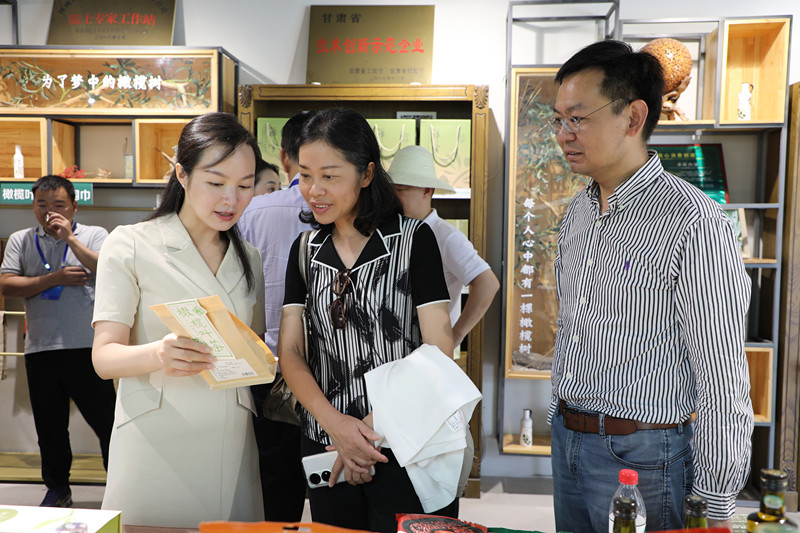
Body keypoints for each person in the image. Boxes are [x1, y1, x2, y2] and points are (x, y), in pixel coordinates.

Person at [547, 40, 753, 533]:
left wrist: (715, 502)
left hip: (643, 452)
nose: (563, 135)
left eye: (577, 118)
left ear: (633, 117)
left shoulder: (692, 221)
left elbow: (721, 374)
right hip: (567, 436)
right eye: (558, 120)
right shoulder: (578, 212)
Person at [278, 108, 457, 533]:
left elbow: (439, 349)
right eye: (305, 175)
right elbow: (291, 352)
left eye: (329, 176)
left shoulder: (413, 240)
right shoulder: (304, 250)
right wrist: (337, 426)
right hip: (326, 441)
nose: (314, 190)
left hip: (407, 440)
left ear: (366, 173)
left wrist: (363, 435)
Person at [91, 112, 266, 527]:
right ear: (182, 175)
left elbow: (252, 344)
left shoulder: (250, 257)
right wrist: (158, 353)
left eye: (245, 186)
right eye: (216, 183)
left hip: (231, 437)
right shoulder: (131, 244)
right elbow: (104, 358)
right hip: (156, 439)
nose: (231, 199)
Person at [0, 175, 116, 508]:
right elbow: (6, 284)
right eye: (42, 204)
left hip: (89, 349)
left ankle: (120, 486)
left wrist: (70, 239)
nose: (50, 211)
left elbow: (108, 270)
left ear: (74, 207)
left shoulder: (95, 235)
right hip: (41, 348)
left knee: (108, 424)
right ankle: (57, 489)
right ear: (33, 206)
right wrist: (55, 278)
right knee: (50, 428)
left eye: (59, 205)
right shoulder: (21, 240)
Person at [238, 110, 316, 521]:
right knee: (333, 485)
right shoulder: (349, 211)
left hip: (265, 371)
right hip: (332, 371)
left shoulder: (252, 212)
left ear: (284, 157)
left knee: (275, 488)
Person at [389, 145, 499, 348]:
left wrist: (456, 336)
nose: (392, 197)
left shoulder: (446, 236)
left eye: (400, 190)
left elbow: (488, 283)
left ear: (427, 190)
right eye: (390, 190)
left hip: (430, 352)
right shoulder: (392, 231)